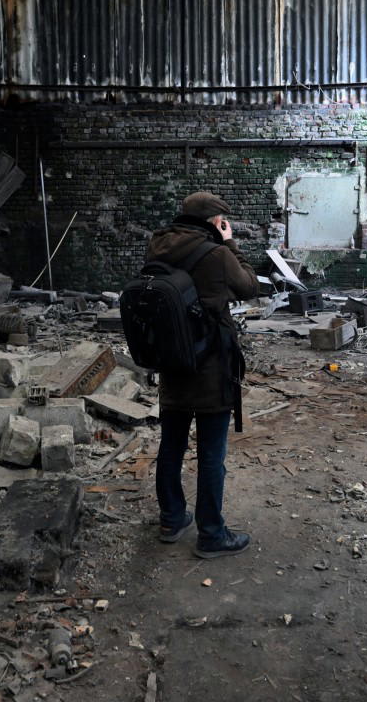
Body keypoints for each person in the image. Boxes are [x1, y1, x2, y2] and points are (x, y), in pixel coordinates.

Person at [145, 191, 260, 558]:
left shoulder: (157, 246)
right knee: (211, 454)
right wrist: (231, 244)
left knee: (172, 445)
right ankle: (211, 534)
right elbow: (250, 287)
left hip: (173, 361)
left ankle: (171, 518)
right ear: (215, 221)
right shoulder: (218, 254)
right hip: (211, 366)